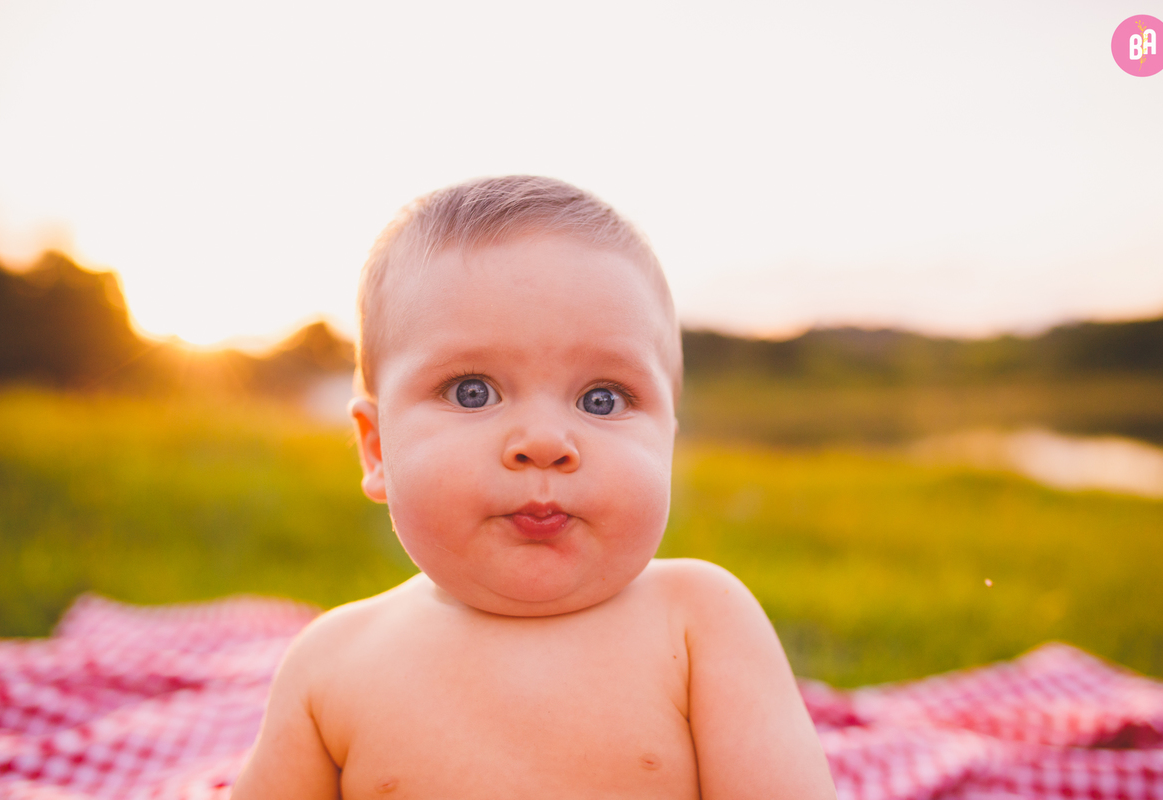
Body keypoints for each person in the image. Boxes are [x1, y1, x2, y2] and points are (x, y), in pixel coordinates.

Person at [231, 176, 837, 799]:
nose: (545, 441)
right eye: (473, 392)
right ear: (378, 448)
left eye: (602, 400)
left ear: (666, 443)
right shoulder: (332, 665)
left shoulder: (700, 620)